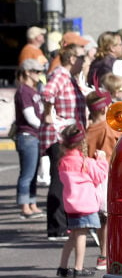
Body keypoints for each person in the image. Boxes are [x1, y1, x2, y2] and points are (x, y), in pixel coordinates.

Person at [41, 44, 88, 241]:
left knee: (64, 180)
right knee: (59, 181)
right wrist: (49, 115)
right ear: (71, 59)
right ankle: (56, 227)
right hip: (59, 136)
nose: (83, 62)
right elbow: (47, 93)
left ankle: (62, 223)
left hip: (68, 136)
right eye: (81, 58)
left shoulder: (70, 77)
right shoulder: (60, 75)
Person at [55, 123, 107, 278]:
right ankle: (78, 267)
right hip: (85, 204)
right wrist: (101, 160)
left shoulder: (63, 162)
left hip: (71, 205)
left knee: (73, 235)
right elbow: (100, 176)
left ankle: (63, 267)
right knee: (81, 235)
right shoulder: (86, 162)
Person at [85, 91, 121, 271]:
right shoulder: (109, 127)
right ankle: (106, 255)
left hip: (93, 176)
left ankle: (103, 253)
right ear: (106, 107)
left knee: (103, 218)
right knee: (109, 218)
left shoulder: (88, 129)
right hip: (108, 174)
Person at [14, 59, 46, 219]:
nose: (40, 75)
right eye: (37, 71)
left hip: (35, 136)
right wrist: (46, 126)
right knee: (27, 173)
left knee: (33, 172)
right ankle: (24, 206)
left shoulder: (33, 90)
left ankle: (32, 203)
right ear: (27, 72)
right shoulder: (23, 91)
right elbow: (30, 117)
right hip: (27, 136)